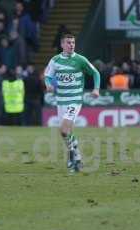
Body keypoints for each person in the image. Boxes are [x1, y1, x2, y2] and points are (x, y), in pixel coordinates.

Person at [44, 33, 101, 173]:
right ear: (62, 44)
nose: (71, 45)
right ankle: (76, 157)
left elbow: (95, 73)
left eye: (73, 43)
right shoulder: (55, 60)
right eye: (68, 43)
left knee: (63, 130)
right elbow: (48, 76)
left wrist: (96, 89)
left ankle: (73, 157)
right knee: (66, 133)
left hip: (74, 100)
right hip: (60, 101)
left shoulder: (80, 60)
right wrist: (48, 85)